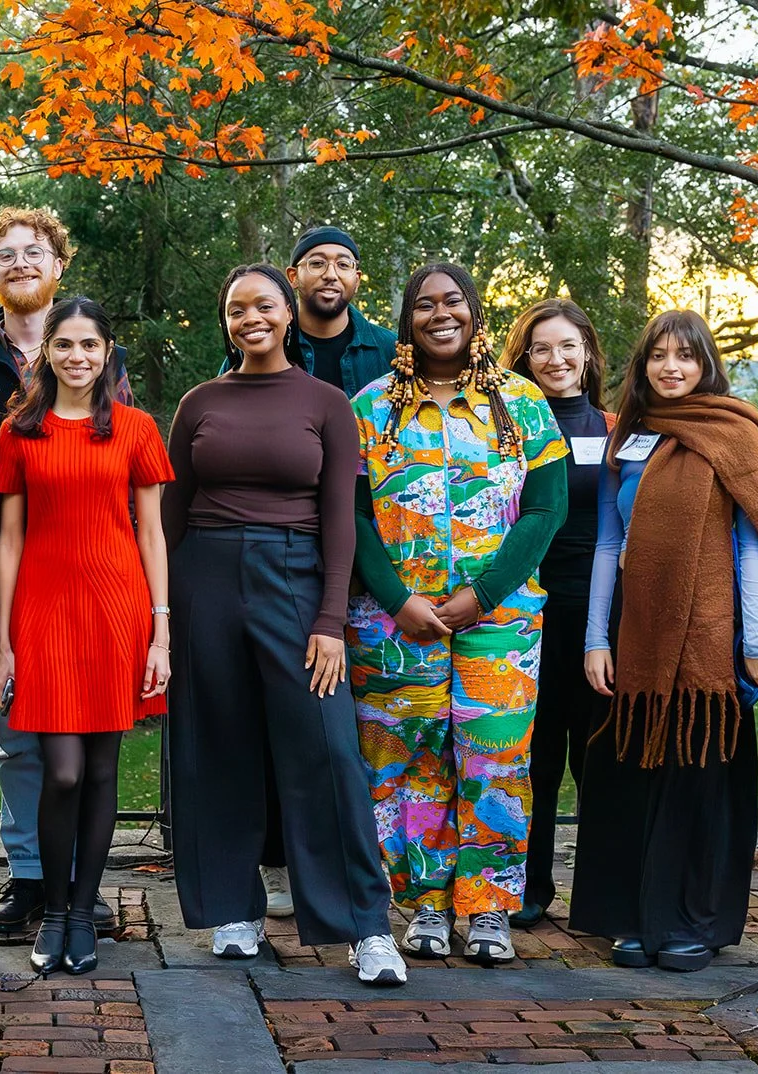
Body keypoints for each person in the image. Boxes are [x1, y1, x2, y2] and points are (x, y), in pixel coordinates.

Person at [163, 264, 406, 986]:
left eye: (263, 305)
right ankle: (232, 913)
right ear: (226, 321)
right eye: (236, 309)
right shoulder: (199, 403)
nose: (250, 319)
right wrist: (163, 615)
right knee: (219, 744)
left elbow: (340, 519)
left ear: (288, 313)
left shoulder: (327, 403)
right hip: (204, 578)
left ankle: (364, 927)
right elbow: (170, 518)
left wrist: (331, 619)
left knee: (326, 753)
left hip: (296, 583)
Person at [573, 310, 758, 972]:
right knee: (634, 775)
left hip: (710, 640)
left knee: (697, 778)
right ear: (642, 367)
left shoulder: (734, 434)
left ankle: (691, 921)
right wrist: (594, 638)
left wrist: (754, 641)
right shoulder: (628, 438)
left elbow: (752, 547)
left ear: (705, 364)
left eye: (684, 356)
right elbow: (610, 543)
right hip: (637, 630)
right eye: (657, 355)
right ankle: (634, 918)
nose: (670, 367)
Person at [349, 262, 568, 966]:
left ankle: (491, 911)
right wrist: (398, 599)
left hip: (498, 625)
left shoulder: (524, 403)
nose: (441, 314)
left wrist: (483, 595)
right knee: (406, 761)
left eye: (453, 302)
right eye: (424, 305)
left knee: (496, 758)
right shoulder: (369, 408)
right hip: (394, 626)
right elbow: (350, 518)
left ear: (475, 312)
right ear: (407, 319)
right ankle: (424, 908)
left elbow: (546, 508)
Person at [0, 297, 172, 976]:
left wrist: (161, 631)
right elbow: (9, 539)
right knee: (60, 770)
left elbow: (152, 533)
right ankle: (56, 905)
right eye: (63, 346)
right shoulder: (19, 431)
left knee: (100, 769)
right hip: (43, 612)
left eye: (88, 346)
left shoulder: (134, 428)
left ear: (106, 353)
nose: (76, 357)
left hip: (117, 609)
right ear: (47, 356)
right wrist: (7, 640)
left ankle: (80, 912)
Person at [223, 225, 398, 916]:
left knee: (354, 732)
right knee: (280, 721)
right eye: (316, 262)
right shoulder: (258, 343)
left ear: (357, 278)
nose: (331, 273)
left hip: (378, 560)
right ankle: (277, 865)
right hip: (289, 564)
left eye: (345, 263)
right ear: (293, 281)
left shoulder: (387, 353)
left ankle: (366, 878)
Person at [0, 207, 131, 935]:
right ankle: (29, 876)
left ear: (58, 265)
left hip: (90, 576)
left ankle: (78, 882)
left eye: (34, 251)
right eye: (5, 254)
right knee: (19, 736)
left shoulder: (98, 356)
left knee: (87, 739)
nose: (21, 263)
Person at [498, 299, 613, 929]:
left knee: (597, 759)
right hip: (522, 616)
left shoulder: (619, 431)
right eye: (542, 348)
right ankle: (528, 888)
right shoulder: (504, 428)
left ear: (589, 354)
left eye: (569, 346)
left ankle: (598, 895)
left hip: (595, 619)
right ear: (525, 358)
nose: (557, 359)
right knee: (532, 758)